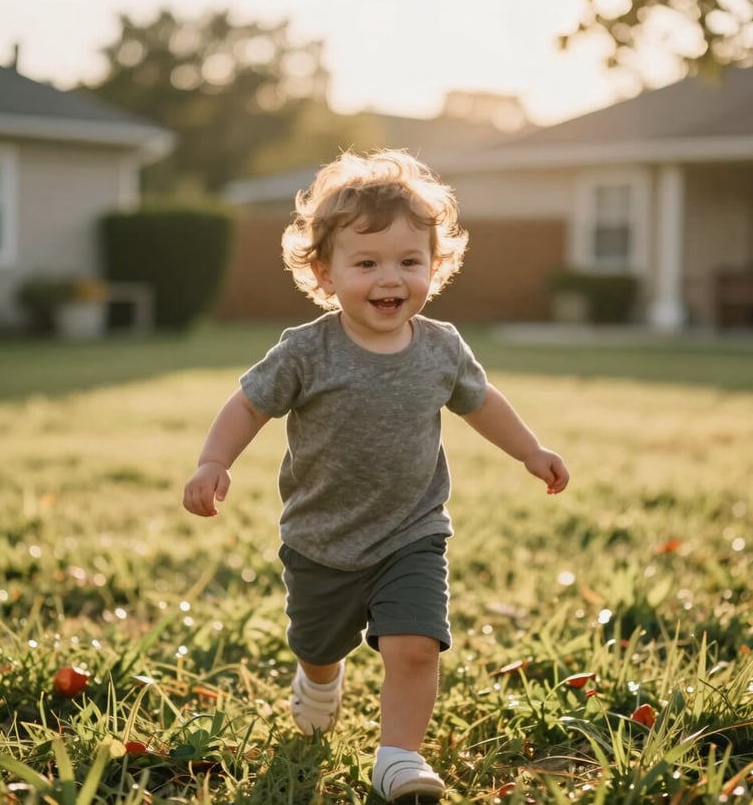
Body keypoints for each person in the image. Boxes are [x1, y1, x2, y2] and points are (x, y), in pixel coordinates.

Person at [183, 149, 569, 803]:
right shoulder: (307, 350)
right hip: (321, 539)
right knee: (317, 642)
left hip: (412, 532)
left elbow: (483, 402)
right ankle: (319, 682)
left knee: (416, 645)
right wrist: (214, 461)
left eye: (409, 262)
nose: (390, 278)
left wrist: (530, 451)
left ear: (434, 266)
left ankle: (398, 759)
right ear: (325, 274)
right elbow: (247, 403)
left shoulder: (441, 347)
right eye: (366, 263)